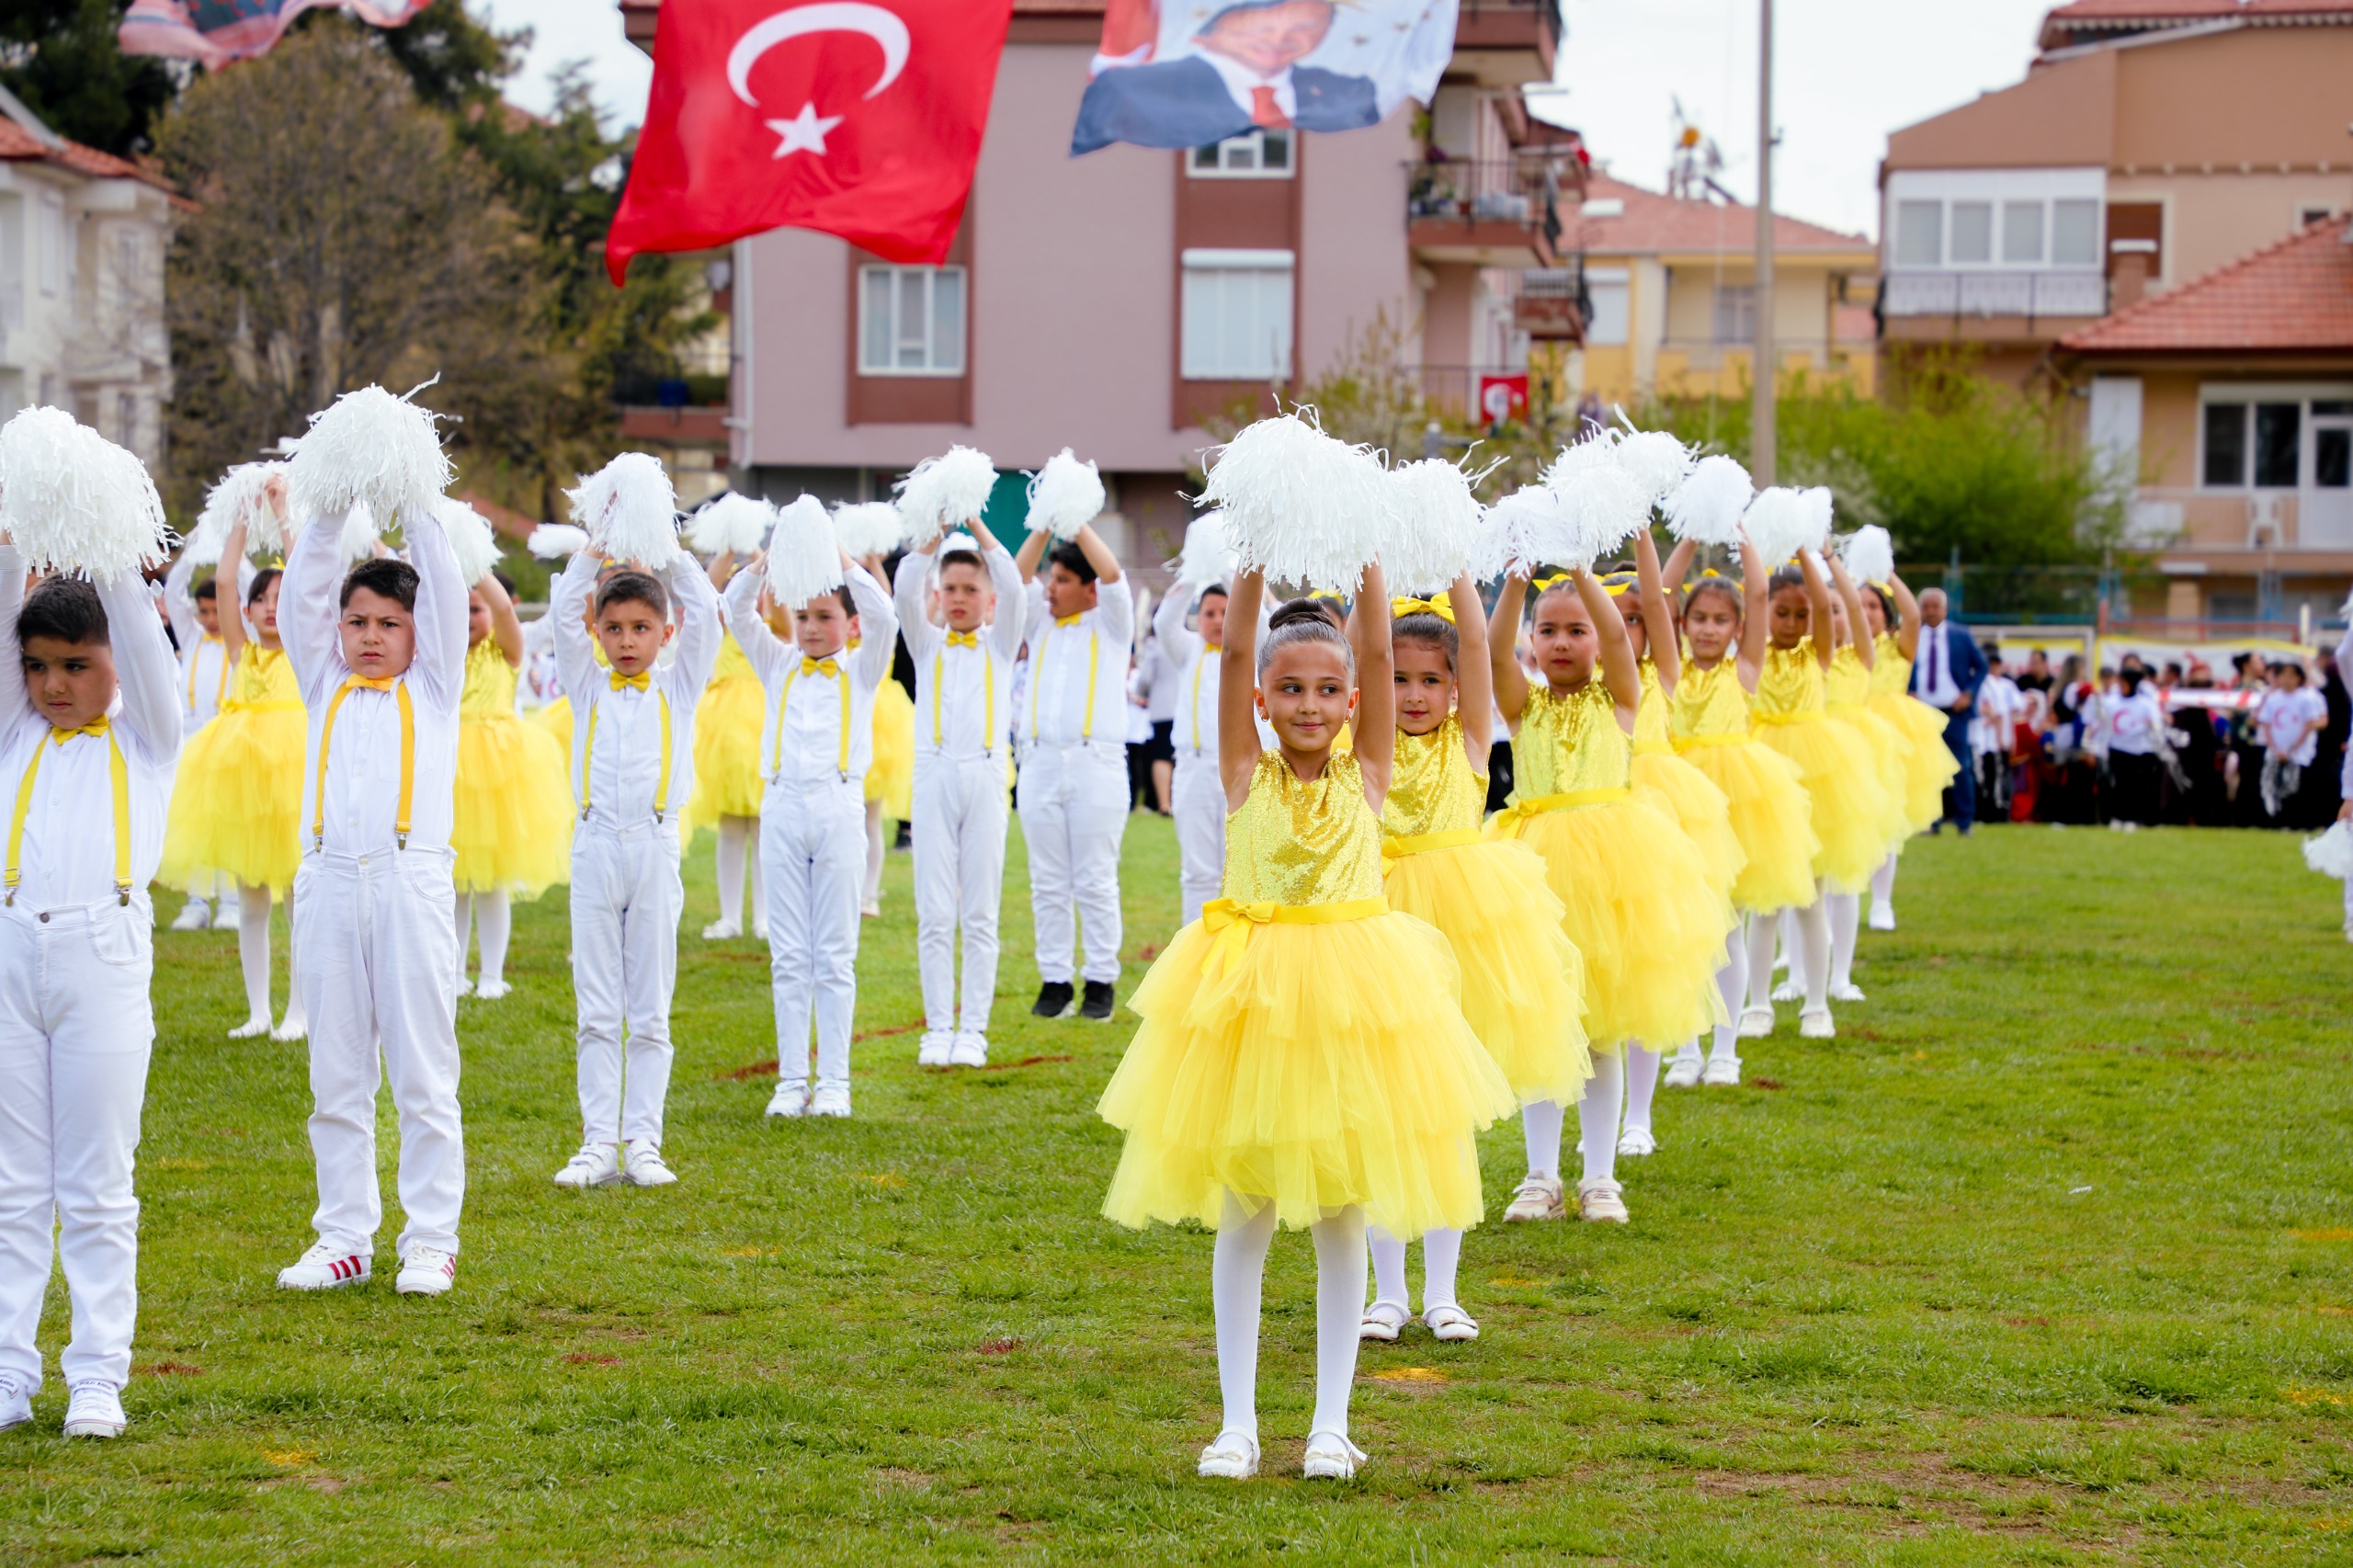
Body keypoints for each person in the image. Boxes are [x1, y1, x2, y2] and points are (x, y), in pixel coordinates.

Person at [1097, 568, 1515, 1483]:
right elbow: (1236, 644)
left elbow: (1372, 646)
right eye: (1290, 689)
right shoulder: (1243, 771)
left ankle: (1331, 1422)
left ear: (1353, 701)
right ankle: (1237, 1422)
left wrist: (1365, 554)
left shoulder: (1371, 772)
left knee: (1341, 1218)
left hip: (1353, 1004)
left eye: (1328, 690)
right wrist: (1248, 553)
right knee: (1243, 1218)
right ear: (1259, 700)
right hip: (1251, 1009)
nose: (1310, 704)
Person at [1354, 577, 1589, 1346]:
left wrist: (1462, 561)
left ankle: (1443, 1292)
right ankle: (1386, 1292)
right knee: (1386, 1109)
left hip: (1463, 930)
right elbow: (1367, 641)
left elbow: (1487, 650)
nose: (1414, 694)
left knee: (1447, 1111)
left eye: (1431, 680)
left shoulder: (1470, 743)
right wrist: (1370, 567)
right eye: (1398, 680)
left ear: (1458, 687)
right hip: (1379, 926)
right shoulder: (1371, 751)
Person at [0, 537, 183, 1441]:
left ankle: (97, 1374)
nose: (53, 685)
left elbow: (144, 653)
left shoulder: (150, 736)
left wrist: (109, 542)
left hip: (101, 959)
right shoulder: (14, 731)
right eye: (36, 667)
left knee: (98, 1183)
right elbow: (6, 627)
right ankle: (8, 1368)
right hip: (8, 959)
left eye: (76, 664)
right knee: (13, 1185)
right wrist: (15, 543)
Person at [1487, 565, 1732, 1224]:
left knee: (1603, 1034)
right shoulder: (1521, 705)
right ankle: (1540, 1176)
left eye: (1578, 630)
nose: (1562, 643)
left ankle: (1600, 1176)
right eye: (1548, 631)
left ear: (1602, 638)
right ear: (1531, 643)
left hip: (1611, 873)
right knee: (1544, 1024)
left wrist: (1584, 572)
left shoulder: (1619, 699)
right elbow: (1492, 648)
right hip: (1533, 870)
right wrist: (1515, 584)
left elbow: (1625, 647)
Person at [273, 496, 469, 1300]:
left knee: (422, 1070)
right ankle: (344, 1235)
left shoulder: (434, 685)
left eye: (388, 623)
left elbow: (449, 590)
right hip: (327, 879)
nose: (371, 637)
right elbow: (300, 595)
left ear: (415, 633)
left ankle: (430, 1239)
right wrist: (323, 512)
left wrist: (415, 498)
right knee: (337, 1073)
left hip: (408, 880)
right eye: (357, 622)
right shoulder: (323, 681)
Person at [550, 547, 720, 1185]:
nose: (626, 641)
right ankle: (597, 1142)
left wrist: (665, 551)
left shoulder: (679, 686)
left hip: (653, 845)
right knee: (596, 1004)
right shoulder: (585, 683)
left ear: (665, 634)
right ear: (597, 633)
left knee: (649, 1005)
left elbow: (704, 607)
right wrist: (594, 549)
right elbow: (567, 609)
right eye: (614, 628)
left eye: (641, 628)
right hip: (594, 846)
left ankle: (643, 1139)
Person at [730, 549, 898, 1119]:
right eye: (803, 617)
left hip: (838, 805)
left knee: (834, 953)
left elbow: (886, 617)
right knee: (788, 953)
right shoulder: (776, 662)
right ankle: (790, 1079)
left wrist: (840, 560)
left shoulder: (863, 666)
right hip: (780, 805)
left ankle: (834, 1081)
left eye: (825, 617)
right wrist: (766, 560)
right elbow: (734, 609)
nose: (811, 629)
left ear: (849, 625)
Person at [1660, 540, 1817, 1091]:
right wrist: (1689, 539)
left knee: (1726, 931)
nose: (1707, 629)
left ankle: (1725, 1049)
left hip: (1733, 805)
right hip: (1675, 802)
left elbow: (1756, 589)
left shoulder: (1745, 668)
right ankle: (1685, 1046)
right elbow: (1659, 594)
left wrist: (1742, 535)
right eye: (1698, 618)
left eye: (1720, 620)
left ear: (1738, 626)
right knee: (1684, 935)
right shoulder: (1670, 667)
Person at [158, 515, 309, 1042]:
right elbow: (224, 581)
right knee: (251, 899)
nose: (271, 607)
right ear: (247, 611)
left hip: (293, 783)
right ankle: (258, 1011)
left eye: (280, 598)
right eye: (262, 600)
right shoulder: (240, 652)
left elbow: (310, 574)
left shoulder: (305, 656)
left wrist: (286, 518)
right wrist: (241, 520)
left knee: (296, 900)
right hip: (243, 780)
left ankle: (300, 1010)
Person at [1613, 538, 1740, 1149]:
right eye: (1610, 620)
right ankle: (1600, 1114)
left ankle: (1643, 1110)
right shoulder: (1568, 692)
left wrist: (1657, 535)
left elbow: (1661, 600)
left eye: (1633, 619)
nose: (1622, 630)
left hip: (1661, 816)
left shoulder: (1656, 673)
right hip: (1595, 829)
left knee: (1668, 948)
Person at [896, 529, 1026, 1069]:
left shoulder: (999, 641)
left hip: (986, 774)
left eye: (969, 589)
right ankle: (937, 1028)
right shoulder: (925, 642)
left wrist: (974, 518)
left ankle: (972, 1029)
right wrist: (935, 527)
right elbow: (905, 587)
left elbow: (1016, 586)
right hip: (933, 775)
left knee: (979, 911)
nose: (957, 598)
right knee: (933, 911)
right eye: (949, 588)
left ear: (988, 599)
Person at [1745, 551, 1888, 1040]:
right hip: (1763, 778)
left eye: (1801, 614)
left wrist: (1816, 556)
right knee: (1764, 905)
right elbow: (1756, 594)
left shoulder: (1819, 653)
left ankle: (1816, 1004)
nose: (1790, 622)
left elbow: (1832, 609)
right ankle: (1758, 1004)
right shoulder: (1751, 657)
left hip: (1814, 779)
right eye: (1780, 612)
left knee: (1811, 898)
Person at [1014, 524, 1132, 1022]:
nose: (1049, 587)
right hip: (1039, 761)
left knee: (1095, 878)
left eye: (1061, 579)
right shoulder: (1038, 624)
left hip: (1096, 763)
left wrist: (1079, 523)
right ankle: (1055, 980)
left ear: (1088, 589)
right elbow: (1014, 577)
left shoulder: (1110, 624)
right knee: (1047, 879)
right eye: (1051, 578)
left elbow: (1112, 574)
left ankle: (1101, 980)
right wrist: (1044, 523)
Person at [449, 570, 572, 1001]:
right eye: (458, 608)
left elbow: (503, 609)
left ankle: (491, 973)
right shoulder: (440, 653)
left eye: (473, 609)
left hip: (496, 769)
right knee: (453, 881)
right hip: (450, 771)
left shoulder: (506, 651)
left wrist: (474, 564)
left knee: (490, 880)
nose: (466, 617)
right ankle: (455, 971)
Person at [1070, 0, 1379, 155]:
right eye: (1257, 26)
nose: (1278, 39)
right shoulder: (1131, 89)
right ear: (1207, 30)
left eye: (1304, 26)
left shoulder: (1349, 92)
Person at [1859, 574, 1957, 929]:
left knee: (1888, 822)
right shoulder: (1839, 648)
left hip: (1891, 736)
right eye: (1859, 605)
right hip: (1847, 735)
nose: (1866, 613)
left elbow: (1913, 615)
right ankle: (1846, 896)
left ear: (1886, 614)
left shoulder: (1898, 645)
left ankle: (1882, 902)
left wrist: (1885, 573)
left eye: (1873, 606)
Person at [686, 551, 769, 942]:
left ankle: (764, 916)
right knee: (732, 827)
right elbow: (703, 593)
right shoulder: (722, 619)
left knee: (764, 825)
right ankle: (730, 915)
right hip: (726, 721)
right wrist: (729, 550)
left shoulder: (772, 621)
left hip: (762, 713)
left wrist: (759, 556)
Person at [159, 551, 243, 931]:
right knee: (193, 823)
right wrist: (195, 552)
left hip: (229, 742)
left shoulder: (243, 640)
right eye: (204, 611)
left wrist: (231, 553)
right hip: (192, 744)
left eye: (217, 611)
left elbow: (248, 581)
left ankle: (230, 902)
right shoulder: (191, 638)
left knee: (227, 823)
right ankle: (196, 903)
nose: (211, 620)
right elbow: (174, 590)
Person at [1154, 581, 1236, 927]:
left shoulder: (1254, 646)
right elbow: (1164, 622)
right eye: (1209, 614)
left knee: (1240, 866)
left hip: (1240, 771)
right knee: (1198, 870)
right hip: (1194, 767)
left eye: (1225, 612)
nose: (1218, 621)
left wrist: (1232, 575)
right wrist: (1193, 571)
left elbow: (1261, 618)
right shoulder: (1188, 650)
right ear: (1197, 618)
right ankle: (1196, 946)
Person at [1909, 586, 1986, 833]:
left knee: (1960, 766)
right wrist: (1907, 689)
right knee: (1926, 768)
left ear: (1945, 609)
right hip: (1922, 711)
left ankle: (1965, 821)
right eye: (1926, 607)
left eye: (1935, 607)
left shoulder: (1960, 635)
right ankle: (1931, 820)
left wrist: (1969, 693)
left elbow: (1981, 667)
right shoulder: (1912, 635)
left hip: (1954, 711)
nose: (1930, 612)